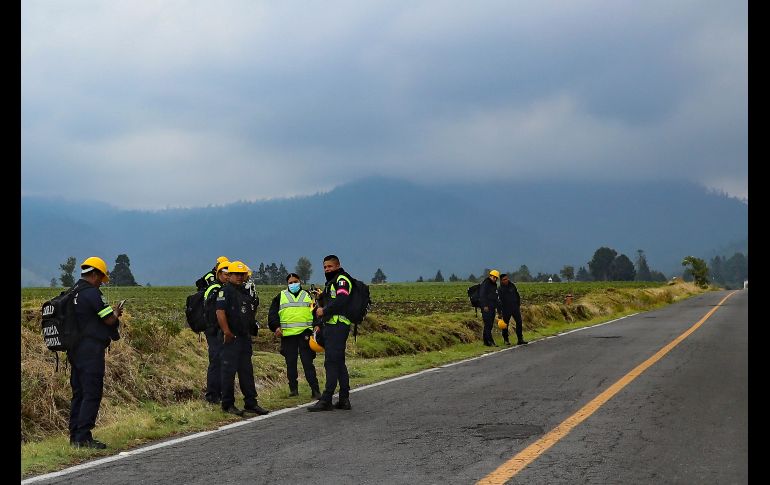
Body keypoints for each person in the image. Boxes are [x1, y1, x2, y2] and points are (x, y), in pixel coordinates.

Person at [68, 256, 122, 449]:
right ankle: (84, 437)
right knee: (91, 393)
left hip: (74, 351)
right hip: (90, 350)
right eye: (100, 278)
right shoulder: (92, 293)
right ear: (94, 274)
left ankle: (75, 435)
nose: (101, 283)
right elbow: (108, 320)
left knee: (78, 392)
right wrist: (116, 313)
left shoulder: (72, 291)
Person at [215, 260, 270, 417]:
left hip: (244, 338)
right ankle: (227, 404)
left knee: (247, 371)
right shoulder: (225, 291)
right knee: (228, 372)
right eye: (236, 274)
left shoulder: (244, 292)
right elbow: (220, 312)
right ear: (230, 275)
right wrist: (226, 332)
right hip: (231, 338)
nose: (239, 277)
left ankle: (251, 403)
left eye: (242, 274)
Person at [308, 255, 354, 412]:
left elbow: (342, 299)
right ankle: (344, 399)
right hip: (331, 325)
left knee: (331, 363)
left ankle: (326, 399)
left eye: (330, 266)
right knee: (339, 363)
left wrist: (324, 310)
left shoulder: (342, 280)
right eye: (325, 267)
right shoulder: (331, 282)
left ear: (338, 265)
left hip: (338, 326)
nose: (327, 269)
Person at [268, 273, 322, 399]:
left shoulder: (308, 296)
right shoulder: (280, 296)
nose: (293, 284)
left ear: (300, 282)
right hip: (288, 336)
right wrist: (276, 327)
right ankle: (293, 389)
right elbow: (272, 314)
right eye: (291, 282)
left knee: (307, 363)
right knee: (290, 364)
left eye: (295, 281)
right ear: (287, 284)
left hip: (305, 334)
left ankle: (315, 390)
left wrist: (317, 324)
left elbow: (316, 312)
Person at [202, 259, 229, 404]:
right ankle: (212, 395)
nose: (228, 276)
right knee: (215, 361)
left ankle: (219, 393)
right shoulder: (214, 289)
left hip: (218, 329)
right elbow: (214, 311)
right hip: (213, 330)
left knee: (221, 361)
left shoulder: (221, 287)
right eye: (226, 274)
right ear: (219, 273)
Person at [498, 273, 527, 346]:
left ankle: (520, 339)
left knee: (519, 322)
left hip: (515, 307)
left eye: (507, 279)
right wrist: (499, 312)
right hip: (506, 309)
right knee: (505, 325)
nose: (506, 280)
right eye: (504, 279)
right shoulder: (500, 289)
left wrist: (518, 304)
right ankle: (506, 340)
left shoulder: (512, 286)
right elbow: (498, 301)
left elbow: (517, 295)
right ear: (501, 281)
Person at [479, 269, 500, 347]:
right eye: (493, 277)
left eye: (496, 278)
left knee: (489, 325)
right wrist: (484, 305)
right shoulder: (486, 283)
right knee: (488, 324)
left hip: (492, 307)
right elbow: (482, 295)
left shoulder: (494, 285)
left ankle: (485, 342)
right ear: (490, 276)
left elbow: (494, 295)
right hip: (486, 308)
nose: (494, 279)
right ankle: (490, 341)